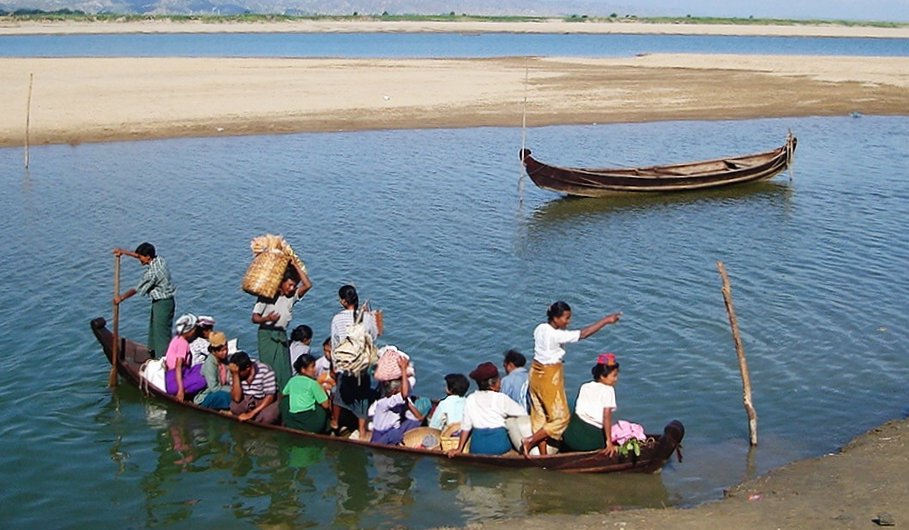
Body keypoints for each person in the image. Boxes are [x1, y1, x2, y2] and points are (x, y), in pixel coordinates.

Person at [523, 301, 622, 457]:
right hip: (550, 376)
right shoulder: (557, 335)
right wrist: (605, 321)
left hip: (535, 373)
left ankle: (543, 455)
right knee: (561, 418)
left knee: (541, 414)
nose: (568, 322)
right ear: (555, 318)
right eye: (566, 318)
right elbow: (583, 334)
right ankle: (529, 440)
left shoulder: (540, 329)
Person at [251, 260, 312, 393]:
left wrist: (295, 265)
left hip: (281, 334)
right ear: (281, 283)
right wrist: (267, 318)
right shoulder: (267, 296)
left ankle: (283, 396)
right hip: (267, 335)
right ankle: (269, 394)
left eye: (294, 285)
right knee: (269, 368)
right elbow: (254, 318)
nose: (292, 288)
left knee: (284, 369)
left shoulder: (292, 296)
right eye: (289, 285)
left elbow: (307, 285)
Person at [330, 284, 380, 440]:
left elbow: (335, 343)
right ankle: (362, 431)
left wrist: (335, 366)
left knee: (339, 395)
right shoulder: (367, 317)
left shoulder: (337, 319)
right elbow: (374, 337)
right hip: (363, 365)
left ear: (344, 301)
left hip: (346, 366)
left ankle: (335, 423)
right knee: (362, 396)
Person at [447, 362, 528, 456]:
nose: (500, 383)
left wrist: (459, 449)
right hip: (499, 446)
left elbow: (466, 427)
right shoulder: (501, 398)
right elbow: (523, 414)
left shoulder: (471, 398)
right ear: (492, 384)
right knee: (511, 421)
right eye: (499, 380)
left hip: (477, 447)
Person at [113, 242, 176, 358]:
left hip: (163, 303)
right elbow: (138, 255)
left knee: (161, 334)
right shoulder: (160, 260)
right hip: (161, 301)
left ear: (147, 257)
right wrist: (123, 252)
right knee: (154, 330)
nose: (139, 259)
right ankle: (153, 353)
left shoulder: (152, 273)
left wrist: (121, 298)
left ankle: (163, 360)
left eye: (141, 257)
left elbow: (137, 288)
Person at [562, 354, 621, 455]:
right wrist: (609, 442)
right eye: (614, 376)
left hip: (570, 435)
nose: (616, 379)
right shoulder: (608, 390)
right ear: (602, 376)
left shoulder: (585, 386)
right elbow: (607, 416)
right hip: (589, 441)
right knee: (604, 442)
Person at [371, 356, 422, 445]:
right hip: (381, 437)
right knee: (395, 433)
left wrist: (407, 402)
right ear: (394, 390)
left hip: (393, 430)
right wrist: (403, 369)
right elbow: (404, 394)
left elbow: (419, 418)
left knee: (414, 423)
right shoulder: (384, 402)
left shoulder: (400, 401)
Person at [281, 354, 330, 433]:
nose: (315, 369)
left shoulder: (292, 380)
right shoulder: (313, 383)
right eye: (312, 367)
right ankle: (327, 428)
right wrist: (323, 390)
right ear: (303, 369)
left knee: (285, 400)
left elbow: (283, 394)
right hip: (311, 424)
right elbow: (326, 404)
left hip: (293, 421)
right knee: (321, 403)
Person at [163, 313, 206, 401]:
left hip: (175, 374)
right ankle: (184, 392)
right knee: (202, 381)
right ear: (190, 330)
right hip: (173, 378)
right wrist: (180, 390)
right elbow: (178, 366)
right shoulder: (183, 343)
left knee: (200, 367)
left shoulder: (176, 338)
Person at [229, 351, 279, 424]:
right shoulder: (234, 372)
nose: (237, 374)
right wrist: (235, 375)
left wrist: (252, 413)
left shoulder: (265, 370)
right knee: (235, 408)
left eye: (239, 372)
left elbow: (270, 397)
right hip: (248, 398)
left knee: (265, 418)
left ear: (248, 368)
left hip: (265, 398)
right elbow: (236, 398)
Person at [193, 331, 233, 410]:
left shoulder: (225, 361)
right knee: (224, 396)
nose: (225, 352)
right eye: (221, 351)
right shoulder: (210, 364)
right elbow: (214, 388)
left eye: (226, 349)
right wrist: (232, 389)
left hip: (223, 389)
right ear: (214, 351)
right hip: (207, 396)